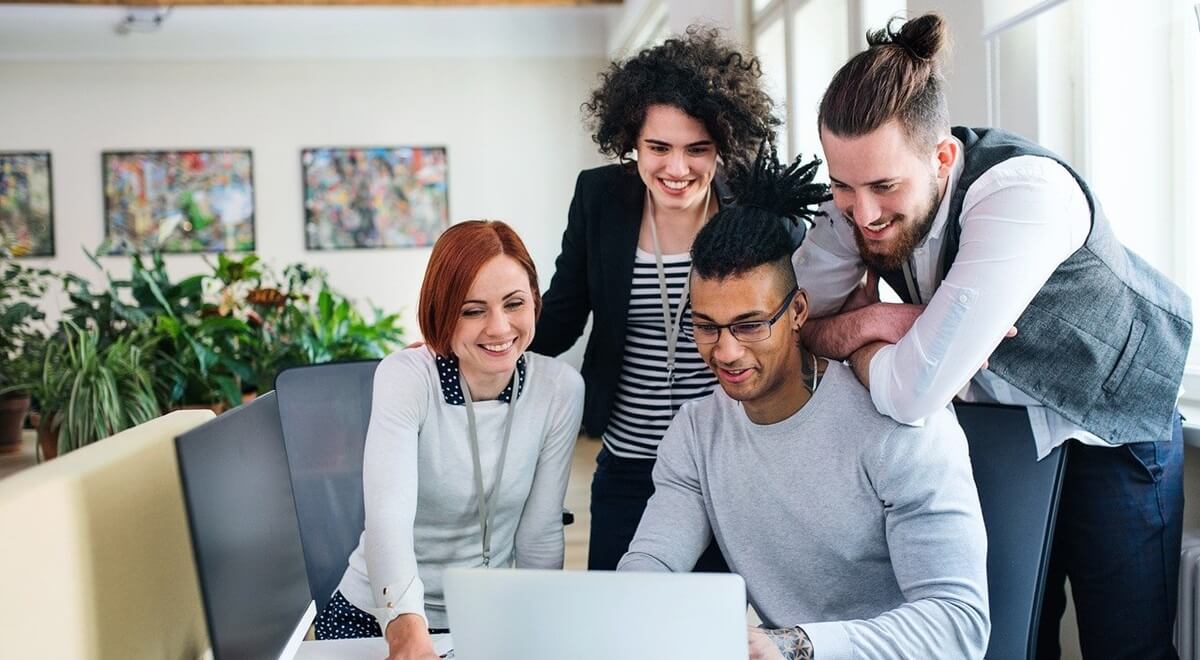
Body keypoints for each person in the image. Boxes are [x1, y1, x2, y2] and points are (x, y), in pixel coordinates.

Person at [795, 14, 1192, 659]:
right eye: (843, 186)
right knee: (1010, 643)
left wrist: (861, 333)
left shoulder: (1021, 196)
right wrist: (874, 326)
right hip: (1003, 432)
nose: (861, 212)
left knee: (1129, 650)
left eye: (883, 187)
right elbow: (796, 323)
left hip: (1110, 429)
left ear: (942, 156)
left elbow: (912, 392)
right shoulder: (858, 197)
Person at [617, 147, 990, 660]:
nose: (726, 352)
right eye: (706, 327)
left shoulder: (900, 427)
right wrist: (622, 609)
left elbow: (957, 625)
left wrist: (796, 645)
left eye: (750, 325)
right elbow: (655, 561)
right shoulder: (697, 432)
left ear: (797, 312)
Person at [530, 26, 793, 571]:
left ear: (724, 144)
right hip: (628, 462)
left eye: (698, 149)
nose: (677, 169)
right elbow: (559, 317)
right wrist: (470, 343)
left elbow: (803, 311)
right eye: (658, 148)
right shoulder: (599, 197)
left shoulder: (753, 204)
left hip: (732, 461)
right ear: (630, 139)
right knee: (618, 625)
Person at [313, 221, 585, 660]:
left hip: (485, 614)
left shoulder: (560, 390)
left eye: (514, 303)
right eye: (473, 310)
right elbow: (388, 519)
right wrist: (406, 632)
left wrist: (543, 625)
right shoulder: (407, 378)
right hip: (381, 613)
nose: (499, 328)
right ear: (442, 311)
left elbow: (538, 534)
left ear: (535, 302)